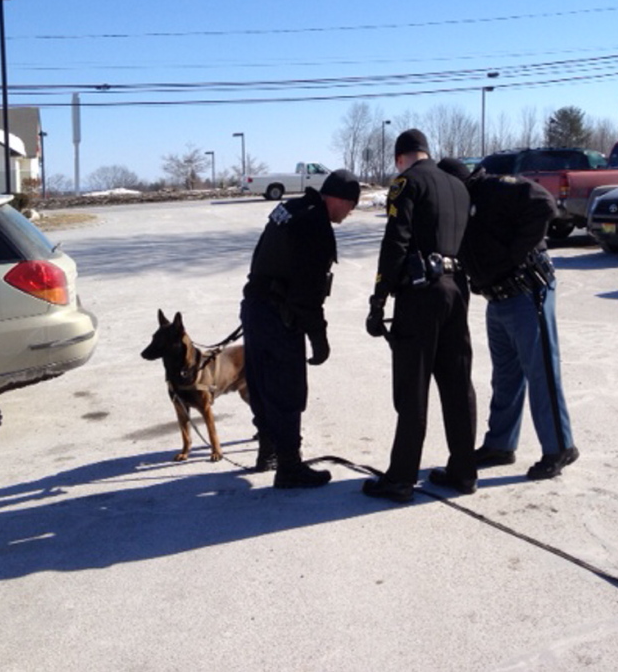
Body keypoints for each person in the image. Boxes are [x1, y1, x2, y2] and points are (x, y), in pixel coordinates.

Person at [437, 157, 579, 480]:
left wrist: (513, 255)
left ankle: (560, 447)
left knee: (541, 372)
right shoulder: (462, 205)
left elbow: (543, 204)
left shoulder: (493, 189)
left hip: (527, 292)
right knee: (505, 378)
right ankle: (501, 444)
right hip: (497, 299)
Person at [363, 130, 477, 503]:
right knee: (458, 383)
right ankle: (464, 471)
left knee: (412, 388)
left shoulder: (406, 184)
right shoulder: (457, 186)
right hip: (457, 290)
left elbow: (395, 241)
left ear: (400, 158)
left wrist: (378, 300)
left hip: (421, 294)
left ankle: (400, 479)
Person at [241, 168, 360, 488]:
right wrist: (319, 339)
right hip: (280, 315)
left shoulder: (291, 209)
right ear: (338, 199)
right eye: (351, 206)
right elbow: (308, 295)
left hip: (255, 307)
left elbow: (261, 256)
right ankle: (289, 466)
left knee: (261, 383)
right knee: (287, 390)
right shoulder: (315, 225)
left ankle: (268, 451)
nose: (350, 213)